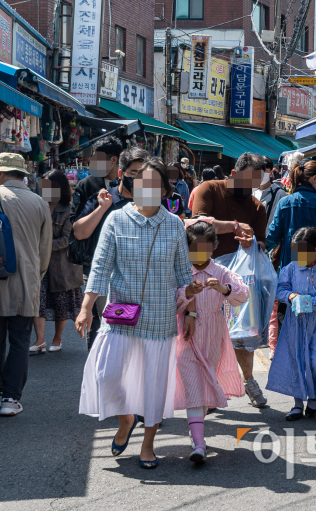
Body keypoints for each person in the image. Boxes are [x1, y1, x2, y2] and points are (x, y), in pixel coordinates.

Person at [77, 158, 192, 469]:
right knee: (106, 374)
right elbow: (100, 267)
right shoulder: (115, 220)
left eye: (156, 185)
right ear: (132, 187)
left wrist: (191, 310)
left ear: (165, 190)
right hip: (120, 314)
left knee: (154, 385)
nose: (148, 190)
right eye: (143, 184)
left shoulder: (173, 225)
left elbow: (184, 274)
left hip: (160, 318)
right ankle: (126, 419)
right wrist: (87, 308)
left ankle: (148, 445)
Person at [0, 153, 52, 418]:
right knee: (18, 340)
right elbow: (44, 249)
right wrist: (36, 276)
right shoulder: (38, 203)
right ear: (22, 175)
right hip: (26, 282)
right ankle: (11, 398)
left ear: (0, 174)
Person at [191, 152, 269, 407]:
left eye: (256, 184)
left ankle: (248, 380)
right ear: (234, 175)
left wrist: (253, 243)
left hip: (239, 280)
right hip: (204, 275)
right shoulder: (209, 189)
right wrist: (234, 227)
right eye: (247, 182)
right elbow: (195, 227)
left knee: (243, 334)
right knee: (206, 334)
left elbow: (261, 244)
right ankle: (209, 388)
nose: (251, 189)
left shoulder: (257, 207)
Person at [176, 220, 249, 463]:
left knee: (205, 387)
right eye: (193, 249)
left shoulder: (220, 272)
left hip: (214, 337)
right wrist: (187, 294)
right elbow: (171, 299)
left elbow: (243, 294)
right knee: (193, 387)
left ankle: (196, 431)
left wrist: (224, 288)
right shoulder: (181, 271)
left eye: (204, 249)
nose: (198, 254)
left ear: (213, 248)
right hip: (187, 336)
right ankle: (198, 443)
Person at [73, 144, 145, 348]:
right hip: (105, 278)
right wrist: (102, 209)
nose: (138, 179)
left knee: (132, 336)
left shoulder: (151, 203)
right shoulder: (104, 198)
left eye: (143, 174)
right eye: (134, 173)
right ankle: (100, 374)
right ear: (121, 173)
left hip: (139, 280)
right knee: (109, 331)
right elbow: (79, 232)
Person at [266, 227, 316, 421]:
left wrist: (306, 302)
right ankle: (298, 404)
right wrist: (290, 296)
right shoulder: (290, 268)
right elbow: (281, 289)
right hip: (294, 324)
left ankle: (313, 397)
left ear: (315, 249)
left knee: (315, 361)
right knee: (296, 361)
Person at [264, 160, 316, 271]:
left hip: (290, 265)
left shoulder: (284, 203)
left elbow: (274, 234)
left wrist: (260, 248)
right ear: (314, 178)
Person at [33, 169, 80, 354]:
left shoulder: (69, 209)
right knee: (38, 301)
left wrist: (40, 246)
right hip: (39, 263)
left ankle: (57, 338)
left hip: (62, 264)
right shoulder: (38, 206)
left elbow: (67, 239)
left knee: (61, 303)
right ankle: (40, 339)